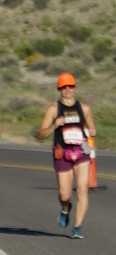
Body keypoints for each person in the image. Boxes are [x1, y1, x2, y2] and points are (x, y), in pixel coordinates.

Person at [38, 73, 97, 239]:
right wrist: (54, 126)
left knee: (82, 189)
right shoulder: (53, 109)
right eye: (64, 87)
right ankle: (65, 208)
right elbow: (41, 134)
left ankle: (77, 227)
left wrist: (91, 132)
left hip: (81, 152)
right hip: (62, 152)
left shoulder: (84, 108)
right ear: (59, 89)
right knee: (65, 195)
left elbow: (93, 129)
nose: (68, 90)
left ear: (74, 87)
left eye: (70, 86)